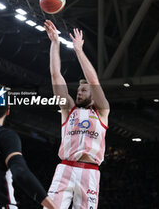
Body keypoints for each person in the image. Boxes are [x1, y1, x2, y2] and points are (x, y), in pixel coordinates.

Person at [43, 20, 110, 209]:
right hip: (65, 167)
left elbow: (93, 79)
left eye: (83, 90)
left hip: (89, 172)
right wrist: (54, 42)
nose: (79, 92)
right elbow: (56, 76)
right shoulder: (68, 109)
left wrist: (78, 50)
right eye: (78, 89)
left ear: (92, 94)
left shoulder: (102, 111)